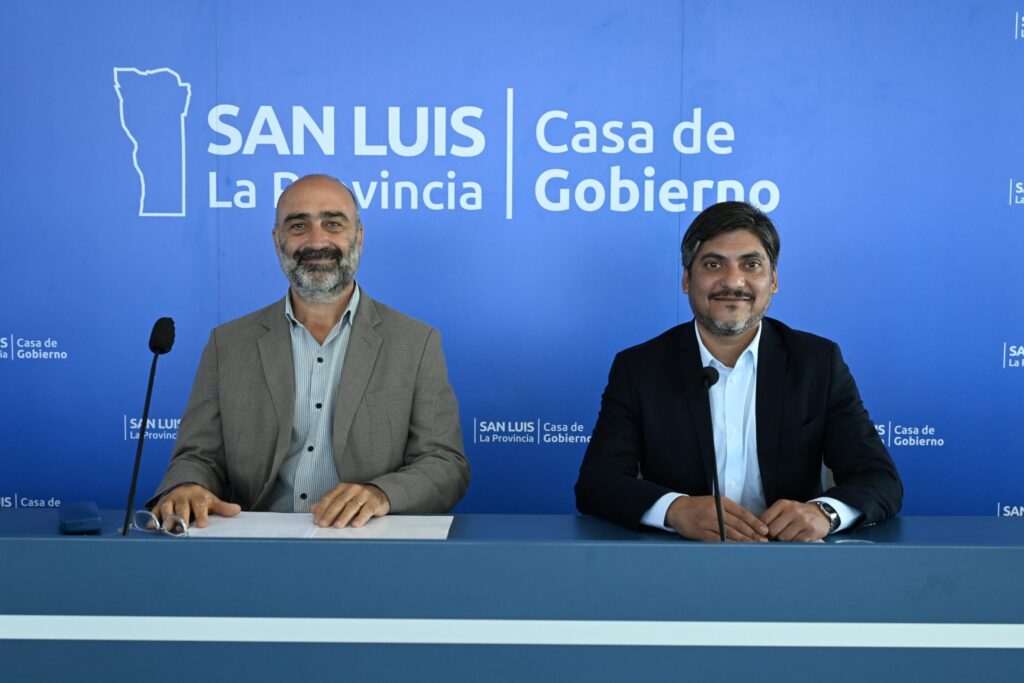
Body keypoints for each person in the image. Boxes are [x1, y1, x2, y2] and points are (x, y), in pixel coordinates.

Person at [149, 174, 470, 528]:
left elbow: (445, 465)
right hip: (255, 544)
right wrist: (187, 486)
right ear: (278, 241)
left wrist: (381, 494)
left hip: (368, 541)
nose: (317, 241)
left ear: (359, 237)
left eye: (333, 223)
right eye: (299, 226)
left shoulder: (416, 343)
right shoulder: (228, 345)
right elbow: (198, 457)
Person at [574, 201, 901, 542]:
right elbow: (597, 483)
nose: (733, 281)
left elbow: (880, 479)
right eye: (713, 264)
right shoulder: (639, 368)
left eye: (751, 264)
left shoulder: (817, 363)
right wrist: (675, 510)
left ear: (773, 280)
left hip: (790, 558)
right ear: (686, 279)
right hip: (678, 557)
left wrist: (825, 513)